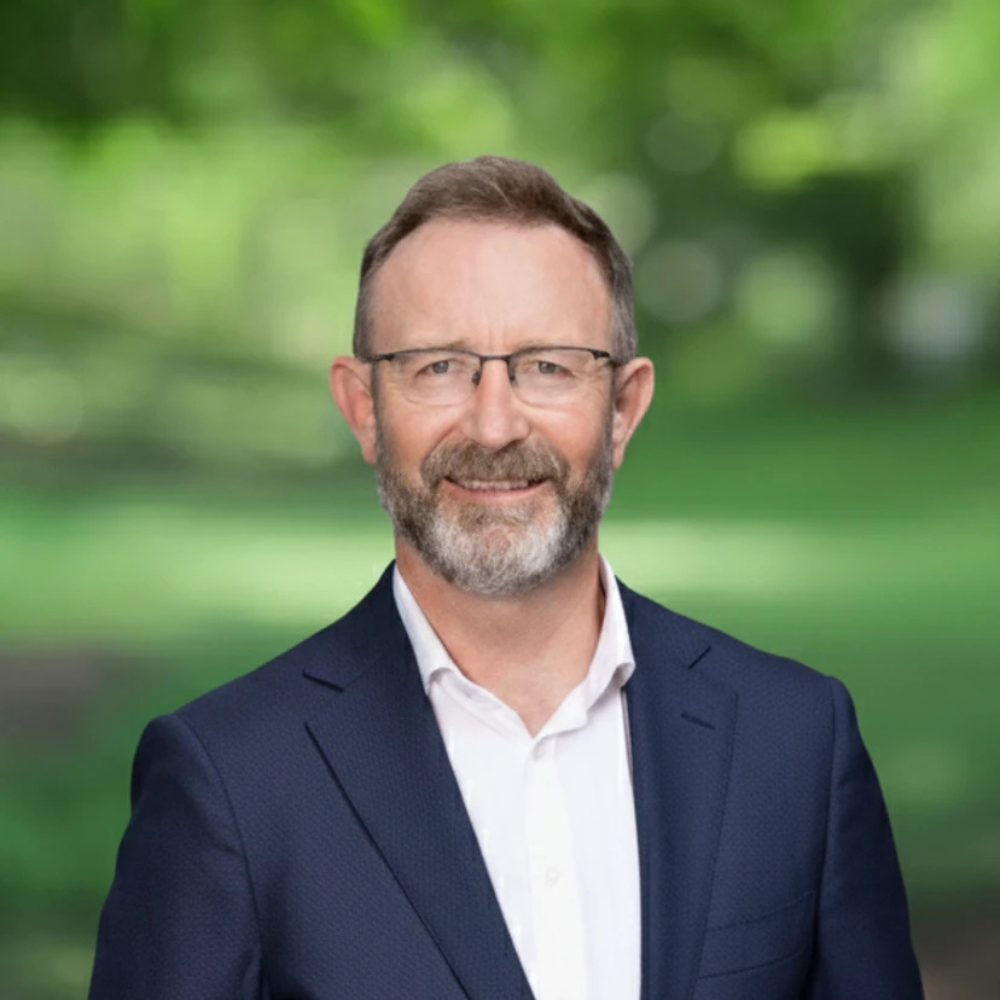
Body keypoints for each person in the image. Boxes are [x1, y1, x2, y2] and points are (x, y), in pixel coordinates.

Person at [89, 155, 923, 1000]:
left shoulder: (795, 744)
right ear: (364, 408)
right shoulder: (229, 779)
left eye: (548, 366)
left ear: (623, 409)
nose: (493, 426)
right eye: (438, 366)